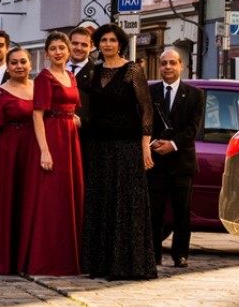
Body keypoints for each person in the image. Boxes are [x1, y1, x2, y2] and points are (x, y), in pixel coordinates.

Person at [81, 24, 157, 280]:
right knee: (100, 203)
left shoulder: (132, 70)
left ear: (121, 43)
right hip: (98, 146)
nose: (107, 44)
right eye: (103, 40)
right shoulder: (94, 71)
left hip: (126, 146)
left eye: (112, 40)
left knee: (125, 204)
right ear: (98, 44)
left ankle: (126, 265)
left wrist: (144, 144)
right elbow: (89, 108)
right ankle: (100, 263)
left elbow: (147, 110)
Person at [29, 31, 84, 276]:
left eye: (62, 47)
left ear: (68, 50)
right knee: (50, 199)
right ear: (48, 52)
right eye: (53, 49)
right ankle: (48, 258)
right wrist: (44, 151)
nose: (58, 52)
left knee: (68, 197)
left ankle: (69, 256)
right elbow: (37, 115)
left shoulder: (71, 76)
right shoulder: (44, 77)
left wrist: (77, 121)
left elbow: (72, 109)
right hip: (52, 137)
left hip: (70, 138)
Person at [0, 47, 38, 275]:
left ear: (30, 64)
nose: (19, 66)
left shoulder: (38, 89)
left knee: (29, 201)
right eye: (13, 62)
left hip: (33, 150)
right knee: (8, 203)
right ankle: (5, 258)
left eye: (23, 61)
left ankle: (28, 257)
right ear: (8, 65)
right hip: (9, 151)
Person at [148, 48, 204, 268]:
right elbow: (144, 121)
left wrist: (172, 145)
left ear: (182, 66)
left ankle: (180, 254)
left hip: (182, 162)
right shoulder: (150, 92)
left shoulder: (194, 94)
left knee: (182, 211)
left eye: (172, 63)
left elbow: (193, 128)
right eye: (164, 63)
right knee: (155, 211)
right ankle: (153, 254)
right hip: (155, 160)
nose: (168, 67)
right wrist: (153, 143)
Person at [68, 27, 95, 123]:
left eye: (84, 45)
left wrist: (83, 122)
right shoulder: (56, 70)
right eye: (75, 43)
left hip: (84, 134)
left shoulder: (97, 73)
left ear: (91, 46)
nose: (78, 48)